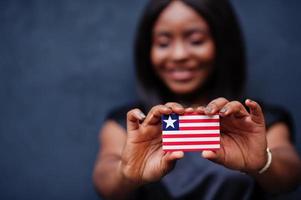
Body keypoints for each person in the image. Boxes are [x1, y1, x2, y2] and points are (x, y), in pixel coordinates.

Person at [93, 0, 301, 199]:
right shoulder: (129, 123)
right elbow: (106, 183)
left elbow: (290, 175)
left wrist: (263, 164)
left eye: (196, 41)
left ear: (222, 43)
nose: (179, 55)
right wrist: (126, 174)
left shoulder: (256, 120)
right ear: (148, 50)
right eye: (163, 43)